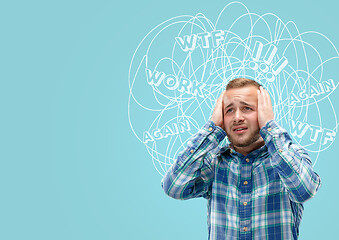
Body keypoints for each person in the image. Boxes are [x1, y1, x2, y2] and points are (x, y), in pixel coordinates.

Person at [162, 78, 321, 240]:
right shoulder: (214, 163)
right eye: (229, 110)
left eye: (247, 108)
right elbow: (174, 188)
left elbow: (305, 191)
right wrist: (212, 128)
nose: (237, 117)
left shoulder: (290, 156)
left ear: (263, 112)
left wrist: (270, 126)